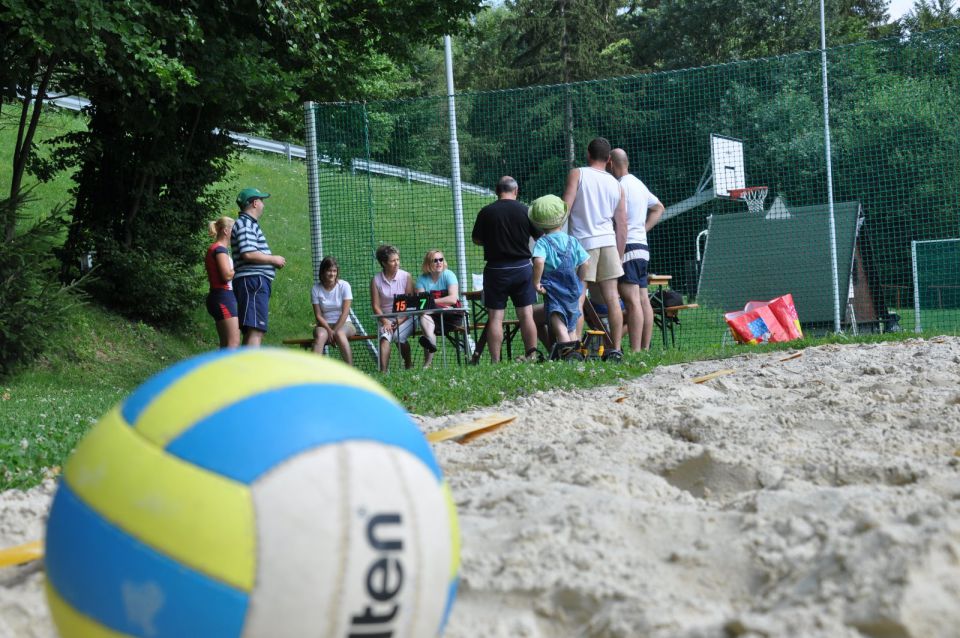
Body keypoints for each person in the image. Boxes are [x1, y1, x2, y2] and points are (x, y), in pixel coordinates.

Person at [562, 137, 628, 362]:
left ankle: (576, 345)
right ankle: (615, 348)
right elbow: (622, 224)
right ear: (609, 160)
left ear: (588, 154)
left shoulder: (577, 174)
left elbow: (565, 209)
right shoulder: (616, 184)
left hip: (583, 244)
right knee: (612, 298)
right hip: (608, 242)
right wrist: (618, 255)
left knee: (579, 297)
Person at [471, 176, 543, 363]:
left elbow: (476, 239)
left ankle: (496, 361)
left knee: (495, 317)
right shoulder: (526, 211)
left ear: (496, 191)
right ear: (516, 190)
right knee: (526, 313)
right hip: (522, 267)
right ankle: (532, 355)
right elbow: (539, 236)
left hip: (496, 269)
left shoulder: (486, 212)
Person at [608, 148, 665, 351]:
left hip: (628, 246)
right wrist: (643, 228)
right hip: (642, 246)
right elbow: (659, 207)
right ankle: (645, 348)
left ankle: (635, 350)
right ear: (628, 163)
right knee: (642, 299)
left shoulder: (619, 186)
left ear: (611, 164)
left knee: (632, 302)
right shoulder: (639, 184)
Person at [529, 195, 590, 360]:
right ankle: (576, 356)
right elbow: (585, 263)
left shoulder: (543, 243)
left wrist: (536, 282)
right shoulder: (571, 240)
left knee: (559, 325)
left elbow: (539, 261)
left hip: (554, 292)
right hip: (572, 291)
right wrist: (579, 280)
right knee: (571, 327)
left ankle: (568, 357)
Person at [231, 187, 286, 347]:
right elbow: (248, 253)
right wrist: (273, 259)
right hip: (254, 281)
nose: (263, 204)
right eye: (262, 200)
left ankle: (244, 370)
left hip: (253, 281)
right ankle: (249, 371)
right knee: (256, 330)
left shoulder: (247, 224)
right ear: (255, 203)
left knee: (252, 329)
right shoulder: (246, 224)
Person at [370, 244, 414, 372]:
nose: (397, 263)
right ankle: (383, 373)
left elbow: (410, 304)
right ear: (384, 263)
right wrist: (385, 322)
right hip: (385, 318)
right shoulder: (376, 280)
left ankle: (408, 364)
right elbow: (375, 306)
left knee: (399, 337)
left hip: (406, 317)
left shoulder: (406, 277)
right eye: (393, 261)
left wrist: (399, 321)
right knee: (385, 338)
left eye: (398, 260)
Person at [415, 249, 462, 368]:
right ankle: (428, 360)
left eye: (441, 259)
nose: (439, 262)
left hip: (451, 316)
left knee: (426, 315)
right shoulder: (422, 280)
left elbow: (452, 299)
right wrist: (437, 304)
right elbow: (421, 303)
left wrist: (431, 302)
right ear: (428, 263)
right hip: (431, 316)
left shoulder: (449, 275)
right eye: (435, 260)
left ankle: (427, 360)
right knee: (424, 318)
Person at [311, 256, 356, 365]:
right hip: (324, 325)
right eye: (329, 271)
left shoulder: (344, 286)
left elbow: (345, 313)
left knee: (340, 334)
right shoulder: (316, 288)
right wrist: (329, 330)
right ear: (323, 272)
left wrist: (334, 331)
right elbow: (318, 315)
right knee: (320, 336)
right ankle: (312, 373)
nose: (332, 274)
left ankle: (350, 371)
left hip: (345, 324)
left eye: (334, 271)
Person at [204, 216, 240, 349]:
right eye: (234, 230)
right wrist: (240, 265)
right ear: (226, 231)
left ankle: (220, 370)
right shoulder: (220, 249)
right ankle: (228, 370)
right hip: (223, 297)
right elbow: (226, 275)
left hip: (219, 297)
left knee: (226, 344)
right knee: (233, 343)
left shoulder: (215, 248)